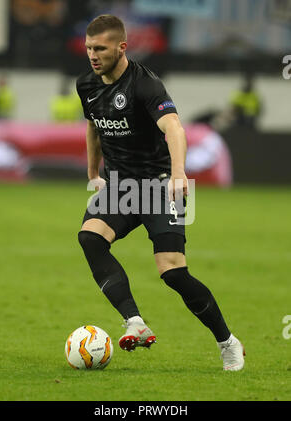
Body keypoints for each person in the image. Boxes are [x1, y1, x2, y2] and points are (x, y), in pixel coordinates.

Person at [76, 15, 245, 371]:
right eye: (89, 47)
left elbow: (175, 129)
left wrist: (180, 173)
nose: (92, 55)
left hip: (158, 185)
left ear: (122, 47)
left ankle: (228, 342)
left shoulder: (146, 84)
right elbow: (93, 126)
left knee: (172, 273)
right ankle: (134, 322)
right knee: (90, 237)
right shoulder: (86, 85)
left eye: (100, 48)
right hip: (121, 186)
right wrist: (94, 172)